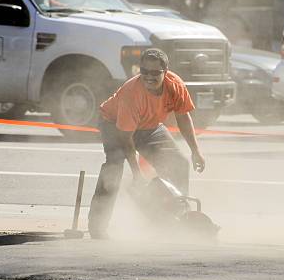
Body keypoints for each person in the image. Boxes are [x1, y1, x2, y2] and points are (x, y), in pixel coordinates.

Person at [88, 48, 205, 239]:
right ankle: (98, 227)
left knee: (179, 164)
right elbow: (126, 140)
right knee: (114, 169)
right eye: (144, 72)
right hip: (114, 125)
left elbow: (183, 117)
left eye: (155, 73)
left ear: (165, 72)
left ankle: (177, 218)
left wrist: (195, 151)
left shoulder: (175, 85)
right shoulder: (131, 93)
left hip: (150, 126)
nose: (149, 77)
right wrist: (137, 174)